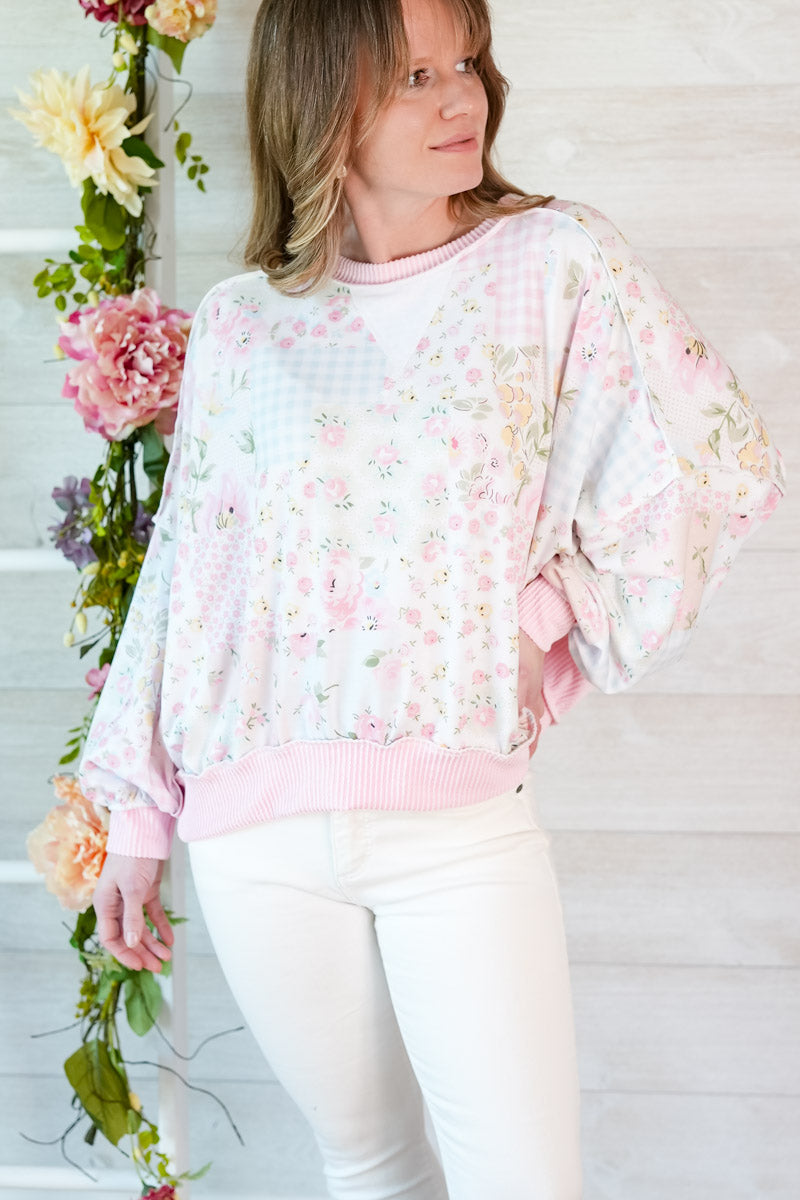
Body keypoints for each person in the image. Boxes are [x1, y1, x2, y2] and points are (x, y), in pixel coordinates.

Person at [81, 0, 785, 1196]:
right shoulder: (246, 325)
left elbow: (711, 461)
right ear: (319, 97)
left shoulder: (553, 263)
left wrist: (544, 617)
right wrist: (137, 824)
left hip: (455, 828)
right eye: (414, 75)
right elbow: (194, 572)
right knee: (368, 1170)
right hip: (254, 833)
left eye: (465, 64)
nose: (460, 99)